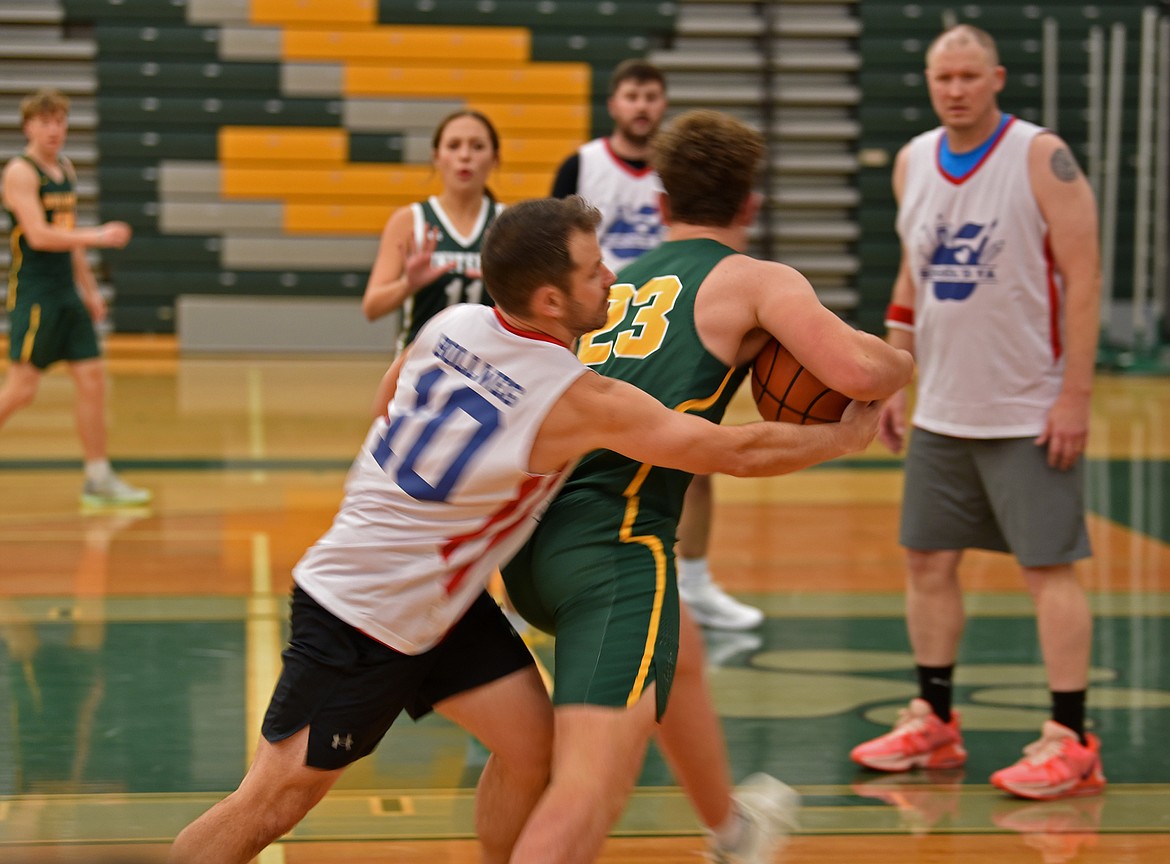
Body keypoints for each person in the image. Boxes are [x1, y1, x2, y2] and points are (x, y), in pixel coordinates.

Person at [167, 195, 891, 864]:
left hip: (442, 604)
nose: (612, 277)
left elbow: (387, 399)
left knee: (533, 750)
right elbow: (731, 450)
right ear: (551, 299)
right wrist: (841, 440)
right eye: (592, 270)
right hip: (365, 610)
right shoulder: (573, 397)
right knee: (270, 801)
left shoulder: (448, 325)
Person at [502, 111, 915, 864]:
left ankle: (730, 831)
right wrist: (902, 367)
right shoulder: (758, 281)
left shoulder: (617, 284)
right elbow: (857, 373)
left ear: (661, 206)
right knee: (590, 790)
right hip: (615, 549)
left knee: (680, 648)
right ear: (750, 206)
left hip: (529, 545)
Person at [849, 25, 1105, 802]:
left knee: (1046, 569)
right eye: (941, 77)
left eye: (968, 75)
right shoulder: (912, 162)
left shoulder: (1040, 156)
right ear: (929, 82)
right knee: (927, 563)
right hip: (944, 410)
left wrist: (1075, 397)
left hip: (1029, 408)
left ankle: (1072, 737)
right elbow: (909, 273)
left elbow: (1086, 279)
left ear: (995, 77)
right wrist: (896, 378)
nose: (954, 88)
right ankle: (933, 717)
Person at [552, 58, 761, 631]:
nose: (641, 105)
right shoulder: (584, 164)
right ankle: (529, 574)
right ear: (614, 104)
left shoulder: (693, 175)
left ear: (662, 106)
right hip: (598, 323)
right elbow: (552, 245)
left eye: (651, 95)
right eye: (631, 95)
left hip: (677, 319)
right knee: (568, 447)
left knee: (696, 449)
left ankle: (694, 583)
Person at [0, 89, 148, 508]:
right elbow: (40, 236)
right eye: (45, 121)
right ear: (28, 126)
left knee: (93, 379)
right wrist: (99, 234)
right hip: (37, 294)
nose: (54, 129)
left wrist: (89, 289)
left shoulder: (64, 168)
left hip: (66, 292)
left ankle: (98, 477)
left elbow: (68, 236)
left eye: (60, 121)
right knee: (22, 389)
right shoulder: (20, 172)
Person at [362, 109, 504, 351]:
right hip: (419, 370)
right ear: (436, 157)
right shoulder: (409, 220)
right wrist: (409, 283)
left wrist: (504, 289)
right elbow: (372, 307)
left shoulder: (509, 223)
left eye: (477, 146)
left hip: (487, 371)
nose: (465, 155)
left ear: (495, 159)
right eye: (454, 145)